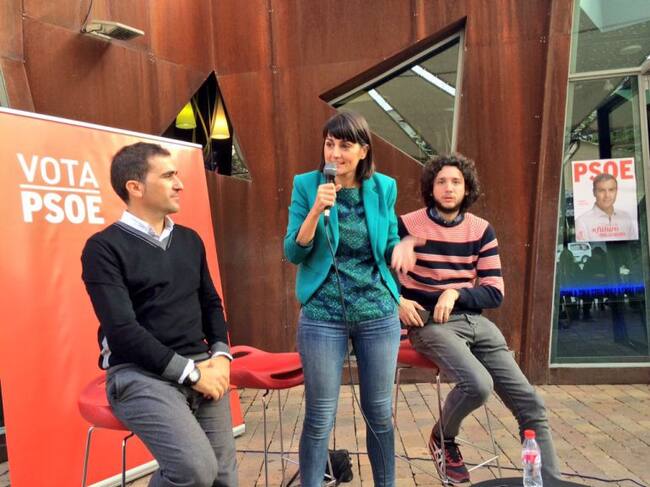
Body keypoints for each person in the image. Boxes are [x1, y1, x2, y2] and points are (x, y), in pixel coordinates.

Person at [392, 154, 561, 484]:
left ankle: (549, 482)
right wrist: (398, 300)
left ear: (467, 188)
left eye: (456, 181)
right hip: (430, 324)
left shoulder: (481, 230)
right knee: (478, 384)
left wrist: (455, 293)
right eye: (441, 181)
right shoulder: (407, 225)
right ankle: (443, 437)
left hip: (476, 324)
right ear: (430, 188)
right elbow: (379, 271)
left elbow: (494, 291)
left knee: (531, 405)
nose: (448, 188)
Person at [81, 142, 238, 487]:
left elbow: (211, 304)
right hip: (140, 374)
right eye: (168, 176)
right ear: (135, 187)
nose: (179, 184)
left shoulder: (190, 240)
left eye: (177, 175)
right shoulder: (102, 249)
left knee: (224, 478)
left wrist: (221, 357)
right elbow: (123, 332)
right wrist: (192, 374)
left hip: (202, 365)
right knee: (196, 470)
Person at [284, 111, 401, 487]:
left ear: (363, 151)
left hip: (377, 312)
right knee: (320, 415)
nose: (334, 153)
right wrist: (316, 210)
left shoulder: (384, 187)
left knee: (379, 413)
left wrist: (401, 251)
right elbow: (294, 252)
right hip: (323, 315)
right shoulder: (307, 185)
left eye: (345, 145)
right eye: (329, 144)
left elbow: (389, 242)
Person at [575, 173, 638, 241]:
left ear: (616, 191)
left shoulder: (626, 217)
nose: (607, 195)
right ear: (594, 192)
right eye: (602, 190)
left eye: (611, 190)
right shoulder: (582, 222)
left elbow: (634, 245)